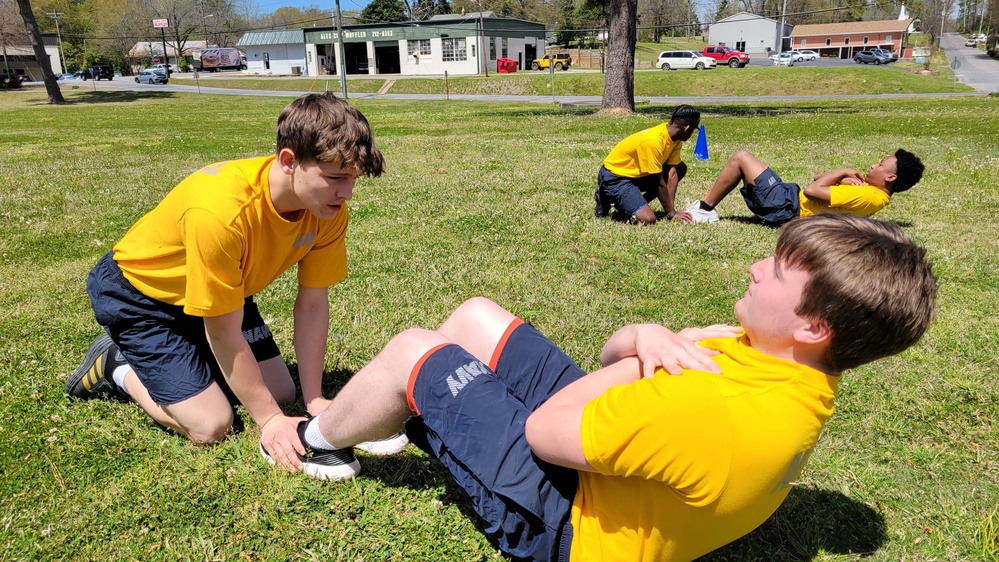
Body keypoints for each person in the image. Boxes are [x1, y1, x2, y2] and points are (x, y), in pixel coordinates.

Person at [266, 213, 937, 561]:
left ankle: (314, 441)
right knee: (474, 316)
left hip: (570, 529)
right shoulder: (780, 365)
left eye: (779, 271)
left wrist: (638, 355)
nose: (757, 266)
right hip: (617, 464)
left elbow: (545, 433)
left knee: (419, 351)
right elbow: (615, 358)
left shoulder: (717, 409)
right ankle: (392, 411)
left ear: (814, 325)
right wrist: (644, 335)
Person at [65, 92, 404, 471]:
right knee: (212, 424)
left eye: (353, 179)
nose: (347, 193)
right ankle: (116, 365)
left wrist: (314, 400)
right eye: (335, 178)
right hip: (141, 298)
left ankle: (191, 362)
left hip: (224, 294)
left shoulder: (327, 211)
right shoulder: (220, 212)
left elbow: (311, 305)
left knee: (280, 391)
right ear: (289, 161)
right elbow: (224, 332)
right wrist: (271, 420)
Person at [679, 148, 925, 225]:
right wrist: (841, 180)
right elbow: (819, 177)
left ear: (890, 178)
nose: (874, 165)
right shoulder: (872, 194)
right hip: (788, 199)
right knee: (744, 159)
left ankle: (704, 209)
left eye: (881, 164)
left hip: (786, 206)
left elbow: (812, 190)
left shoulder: (867, 195)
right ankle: (706, 207)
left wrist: (842, 172)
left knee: (741, 157)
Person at [594, 105, 701, 224]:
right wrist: (672, 213)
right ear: (687, 128)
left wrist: (671, 210)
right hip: (615, 178)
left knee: (681, 168)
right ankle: (604, 196)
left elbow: (672, 173)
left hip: (636, 175)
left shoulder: (675, 138)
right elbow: (658, 183)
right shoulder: (654, 141)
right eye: (695, 129)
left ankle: (629, 204)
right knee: (647, 219)